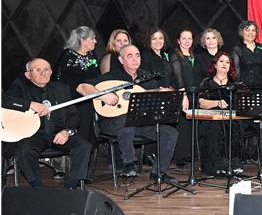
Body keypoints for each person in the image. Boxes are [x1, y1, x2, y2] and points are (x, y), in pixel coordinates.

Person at [78, 45, 179, 183]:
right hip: (111, 123)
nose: (135, 59)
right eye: (129, 56)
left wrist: (163, 96)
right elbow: (81, 87)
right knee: (125, 119)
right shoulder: (112, 76)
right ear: (121, 60)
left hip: (139, 123)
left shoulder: (147, 78)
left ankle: (159, 172)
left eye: (137, 55)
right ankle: (129, 164)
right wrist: (103, 96)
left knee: (170, 133)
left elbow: (154, 105)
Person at [3, 59, 91, 189]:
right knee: (24, 151)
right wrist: (30, 105)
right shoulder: (20, 87)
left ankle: (71, 186)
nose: (43, 73)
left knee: (83, 146)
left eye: (46, 69)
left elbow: (74, 115)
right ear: (28, 75)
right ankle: (38, 187)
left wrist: (66, 132)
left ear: (51, 72)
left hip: (58, 133)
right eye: (37, 70)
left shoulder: (61, 88)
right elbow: (5, 101)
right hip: (33, 135)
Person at [196, 51, 246, 176]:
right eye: (221, 61)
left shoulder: (235, 83)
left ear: (230, 66)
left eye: (227, 62)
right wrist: (217, 103)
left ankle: (232, 164)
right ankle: (215, 166)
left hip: (231, 118)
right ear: (215, 65)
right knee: (214, 127)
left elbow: (243, 103)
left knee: (235, 126)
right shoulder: (207, 82)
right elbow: (201, 102)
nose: (224, 64)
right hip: (211, 118)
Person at [54, 26, 100, 145]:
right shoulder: (68, 55)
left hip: (91, 95)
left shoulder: (92, 54)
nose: (95, 41)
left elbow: (97, 75)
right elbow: (59, 78)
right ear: (83, 40)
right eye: (92, 39)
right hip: (74, 99)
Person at [170, 29, 198, 167]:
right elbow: (178, 77)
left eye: (189, 38)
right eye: (184, 38)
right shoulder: (175, 55)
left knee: (190, 126)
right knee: (181, 125)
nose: (187, 41)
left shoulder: (193, 55)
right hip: (182, 94)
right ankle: (179, 155)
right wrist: (183, 95)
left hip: (194, 94)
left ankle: (189, 154)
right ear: (178, 40)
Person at [231, 20, 262, 90]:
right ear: (242, 32)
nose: (251, 33)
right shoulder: (237, 50)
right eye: (247, 30)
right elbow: (235, 73)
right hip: (245, 89)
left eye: (253, 30)